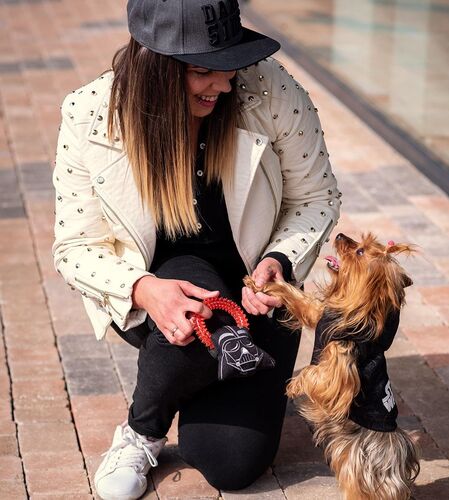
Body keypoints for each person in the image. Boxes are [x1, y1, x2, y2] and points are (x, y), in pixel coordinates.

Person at [52, 0, 341, 498]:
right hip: (167, 292)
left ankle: (192, 370)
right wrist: (142, 290)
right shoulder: (89, 114)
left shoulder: (270, 88)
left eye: (231, 64)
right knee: (195, 289)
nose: (225, 84)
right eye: (206, 69)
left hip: (258, 296)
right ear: (154, 69)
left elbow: (316, 198)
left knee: (230, 463)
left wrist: (280, 260)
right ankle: (141, 430)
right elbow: (76, 246)